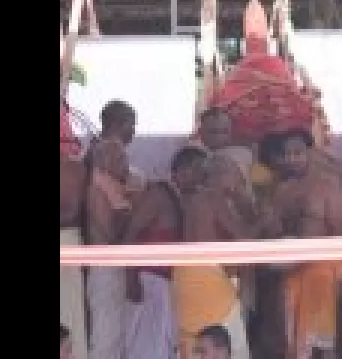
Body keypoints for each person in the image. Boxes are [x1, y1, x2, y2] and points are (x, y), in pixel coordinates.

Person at [267, 128, 342, 359]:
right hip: (291, 272)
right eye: (287, 154)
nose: (291, 159)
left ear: (311, 153)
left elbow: (341, 232)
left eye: (298, 153)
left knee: (323, 345)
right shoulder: (282, 190)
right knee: (293, 343)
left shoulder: (328, 185)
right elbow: (274, 231)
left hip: (322, 271)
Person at [175, 143, 254, 359]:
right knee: (229, 345)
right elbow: (242, 238)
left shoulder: (193, 198)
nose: (240, 181)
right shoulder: (212, 198)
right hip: (207, 279)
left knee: (195, 345)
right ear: (224, 175)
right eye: (237, 176)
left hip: (187, 278)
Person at [122, 147, 198, 359]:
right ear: (183, 170)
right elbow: (131, 232)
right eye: (199, 171)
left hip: (166, 283)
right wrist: (131, 277)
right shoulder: (158, 194)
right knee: (145, 346)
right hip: (148, 280)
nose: (202, 178)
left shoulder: (183, 199)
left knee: (162, 346)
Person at [85, 100, 136, 359]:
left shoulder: (114, 187)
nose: (125, 161)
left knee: (116, 338)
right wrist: (132, 214)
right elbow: (109, 235)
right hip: (105, 267)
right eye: (118, 155)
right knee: (106, 339)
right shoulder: (98, 186)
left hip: (113, 267)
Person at [59, 153, 89, 359]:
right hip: (70, 241)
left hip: (67, 242)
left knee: (70, 310)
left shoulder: (74, 169)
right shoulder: (76, 168)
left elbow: (73, 212)